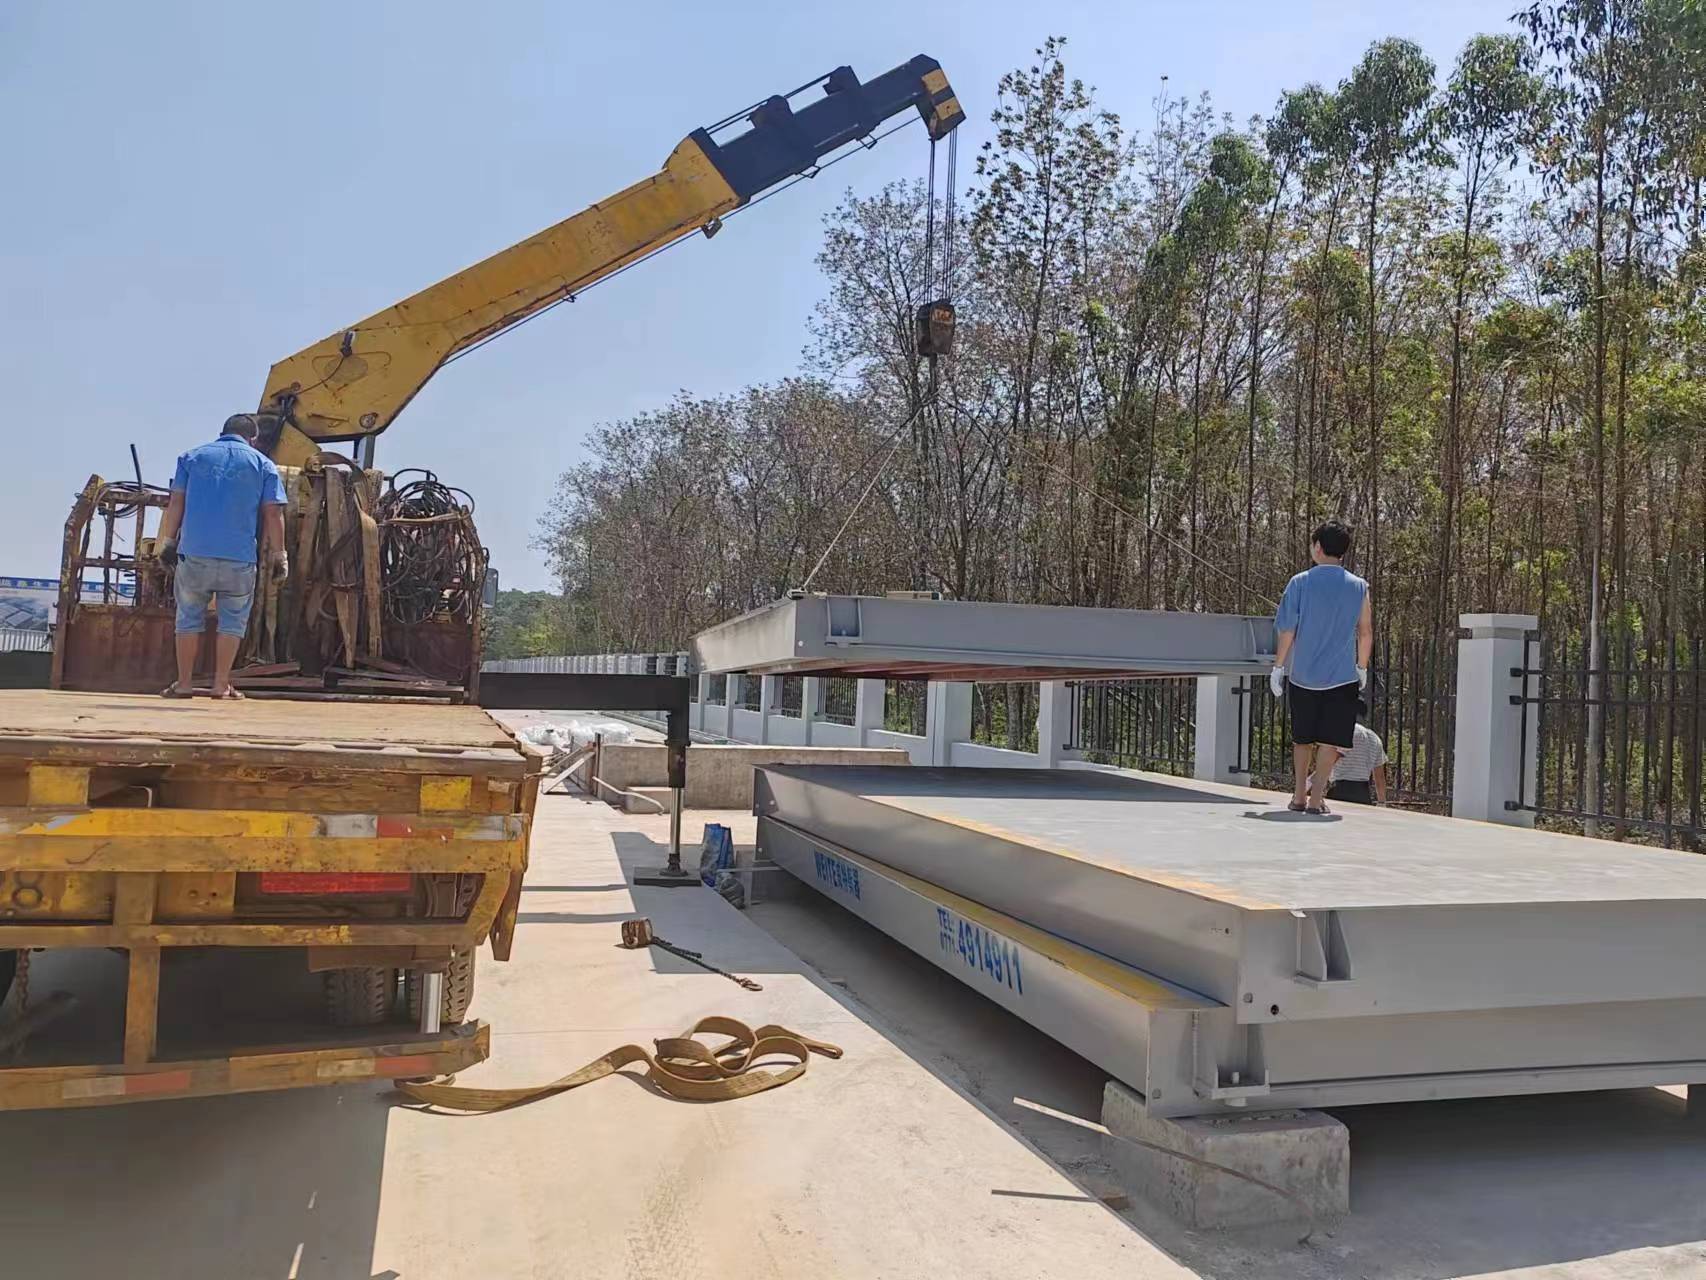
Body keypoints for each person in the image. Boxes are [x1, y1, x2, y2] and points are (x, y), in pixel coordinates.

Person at [153, 413, 288, 699]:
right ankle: (220, 685)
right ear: (253, 438)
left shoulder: (191, 458)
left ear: (222, 432)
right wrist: (280, 555)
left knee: (188, 618)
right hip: (239, 558)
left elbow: (176, 501)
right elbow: (273, 513)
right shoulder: (263, 464)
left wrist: (168, 543)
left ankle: (185, 684)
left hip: (194, 554)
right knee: (232, 622)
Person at [1269, 518, 1372, 815]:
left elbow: (1287, 629)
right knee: (1330, 741)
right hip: (1342, 677)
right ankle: (1317, 799)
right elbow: (1365, 632)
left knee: (1302, 738)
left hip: (1303, 676)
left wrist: (1278, 667)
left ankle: (1299, 796)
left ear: (1317, 547)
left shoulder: (1299, 582)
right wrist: (1361, 666)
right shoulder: (1359, 586)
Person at [1327, 698, 1388, 806]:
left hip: (1340, 790)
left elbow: (1328, 762)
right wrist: (1382, 802)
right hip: (1363, 793)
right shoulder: (1374, 738)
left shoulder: (1343, 732)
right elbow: (1379, 776)